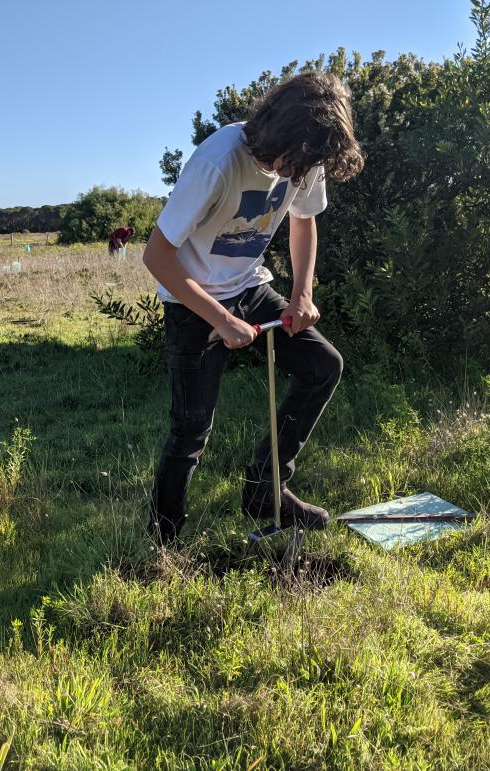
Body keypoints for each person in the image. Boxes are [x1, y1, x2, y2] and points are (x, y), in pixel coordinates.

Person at [142, 72, 365, 543]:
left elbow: (303, 223)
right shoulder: (218, 160)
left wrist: (303, 294)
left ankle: (266, 490)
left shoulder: (309, 152)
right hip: (192, 299)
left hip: (249, 287)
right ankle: (164, 541)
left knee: (323, 365)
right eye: (292, 162)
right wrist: (221, 321)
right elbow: (156, 256)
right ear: (278, 129)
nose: (295, 173)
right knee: (191, 428)